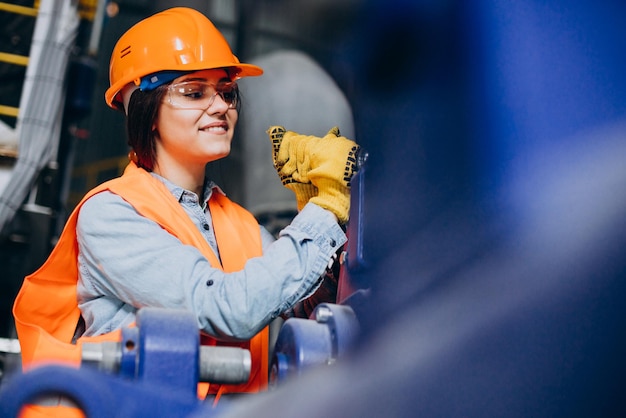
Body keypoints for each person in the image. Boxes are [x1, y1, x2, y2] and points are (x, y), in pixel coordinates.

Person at [11, 6, 359, 411]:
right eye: (195, 92)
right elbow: (231, 308)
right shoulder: (111, 214)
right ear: (146, 109)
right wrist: (325, 208)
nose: (220, 107)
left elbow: (297, 306)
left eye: (227, 91)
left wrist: (312, 217)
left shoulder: (239, 223)